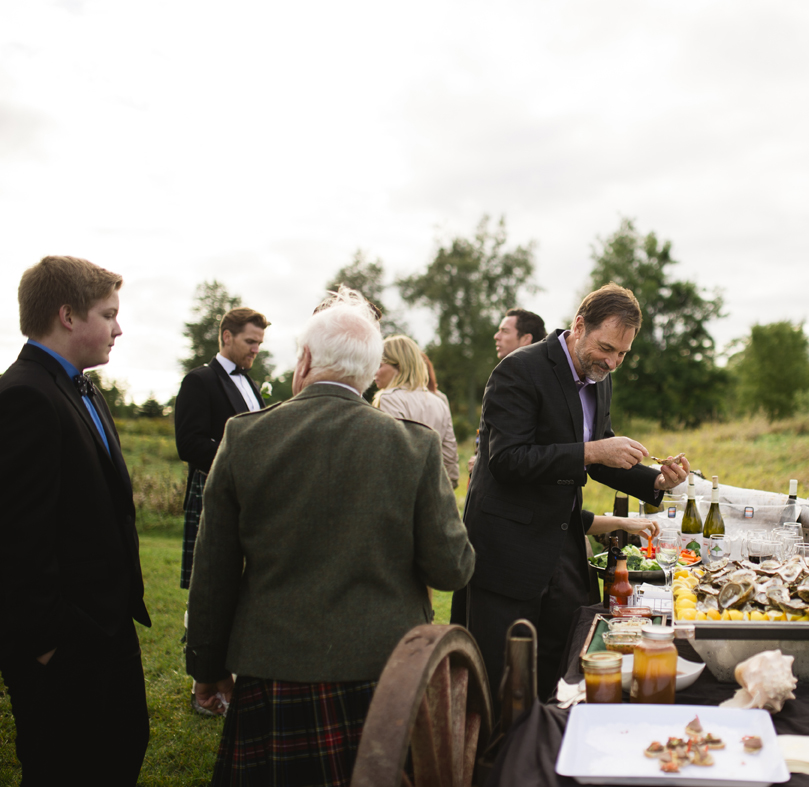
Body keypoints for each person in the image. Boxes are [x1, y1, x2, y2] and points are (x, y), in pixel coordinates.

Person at [186, 287, 474, 785]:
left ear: (304, 361)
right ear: (368, 372)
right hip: (384, 676)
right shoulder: (414, 447)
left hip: (273, 673)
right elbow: (452, 568)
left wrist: (206, 668)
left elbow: (213, 572)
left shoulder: (243, 436)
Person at [453, 283, 689, 700]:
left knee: (563, 664)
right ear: (579, 326)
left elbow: (599, 458)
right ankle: (499, 762)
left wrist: (655, 481)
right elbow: (506, 461)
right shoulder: (518, 370)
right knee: (500, 680)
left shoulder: (600, 378)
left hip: (559, 547)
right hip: (506, 551)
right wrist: (591, 449)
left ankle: (551, 746)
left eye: (622, 354)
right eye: (607, 348)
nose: (613, 362)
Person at [0, 255, 152, 784]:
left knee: (120, 755)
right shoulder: (24, 395)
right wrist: (49, 648)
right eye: (108, 314)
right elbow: (17, 540)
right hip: (65, 651)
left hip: (109, 633)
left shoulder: (82, 389)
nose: (118, 327)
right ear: (68, 315)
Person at [173, 306, 269, 715]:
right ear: (226, 336)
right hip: (211, 492)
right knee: (207, 588)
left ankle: (227, 677)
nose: (255, 352)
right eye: (250, 342)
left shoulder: (251, 383)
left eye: (260, 344)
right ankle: (203, 687)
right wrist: (238, 461)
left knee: (238, 585)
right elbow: (189, 444)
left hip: (248, 496)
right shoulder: (199, 380)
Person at [374, 335, 460, 488]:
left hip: (403, 492)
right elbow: (449, 456)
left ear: (398, 366)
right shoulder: (439, 402)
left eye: (379, 365)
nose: (374, 371)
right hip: (433, 490)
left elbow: (394, 453)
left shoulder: (389, 398)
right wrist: (448, 486)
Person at [469, 308, 549, 476]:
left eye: (504, 331)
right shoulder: (507, 374)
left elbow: (516, 452)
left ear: (526, 339)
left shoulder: (533, 382)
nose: (496, 336)